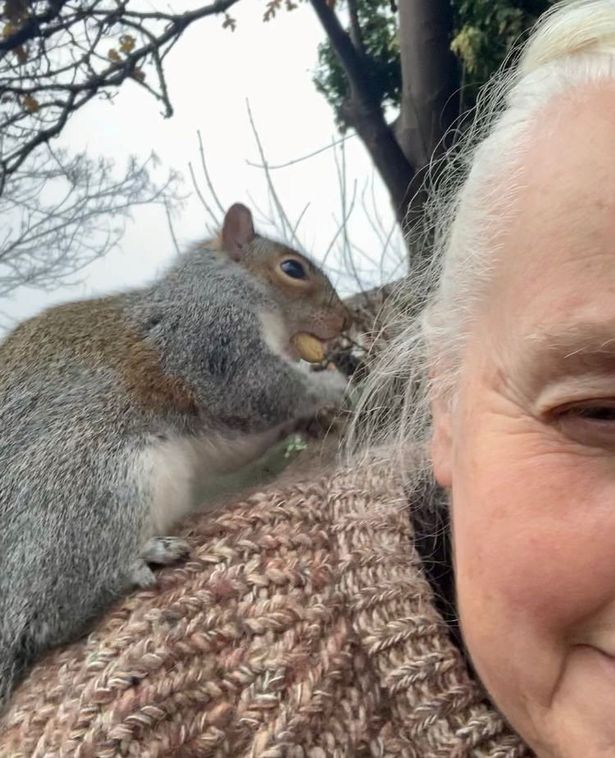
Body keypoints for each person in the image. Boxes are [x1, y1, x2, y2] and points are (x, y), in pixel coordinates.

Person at [1, 0, 613, 755]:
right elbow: (241, 394)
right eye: (602, 413)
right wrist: (319, 393)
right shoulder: (166, 716)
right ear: (441, 395)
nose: (318, 304)